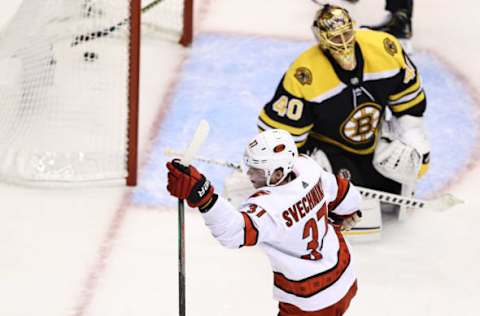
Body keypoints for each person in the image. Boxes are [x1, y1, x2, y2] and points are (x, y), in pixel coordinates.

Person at [255, 4, 430, 237]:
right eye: (335, 38)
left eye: (346, 34)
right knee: (336, 197)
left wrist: (413, 139)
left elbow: (408, 103)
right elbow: (280, 136)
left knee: (400, 170)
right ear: (322, 40)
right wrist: (297, 171)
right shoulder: (305, 74)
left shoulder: (385, 49)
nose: (343, 42)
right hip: (330, 150)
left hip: (371, 144)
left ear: (354, 29)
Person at [166, 129, 362, 315]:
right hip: (345, 273)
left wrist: (203, 195)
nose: (250, 174)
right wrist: (348, 212)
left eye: (257, 170)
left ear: (277, 173)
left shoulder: (269, 206)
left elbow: (234, 233)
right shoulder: (307, 168)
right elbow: (344, 192)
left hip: (310, 301)